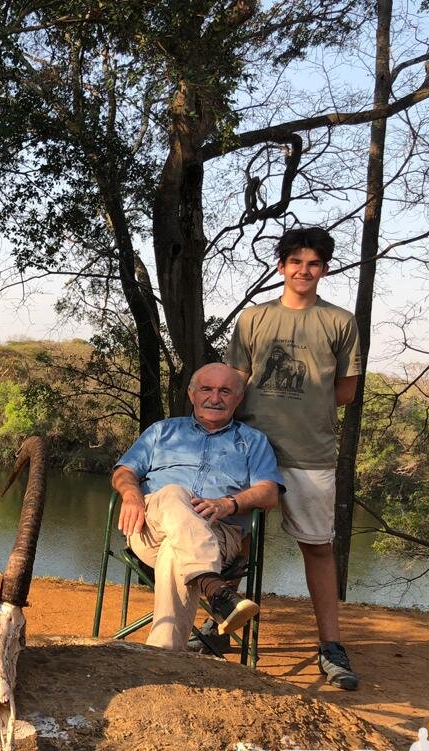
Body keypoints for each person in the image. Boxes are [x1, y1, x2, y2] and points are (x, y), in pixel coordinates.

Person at [219, 225, 363, 690]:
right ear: (282, 266)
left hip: (311, 453)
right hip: (251, 450)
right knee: (233, 535)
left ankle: (331, 646)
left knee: (318, 547)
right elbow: (235, 382)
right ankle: (220, 624)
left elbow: (344, 391)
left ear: (324, 269)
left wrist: (302, 407)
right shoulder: (254, 319)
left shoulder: (340, 322)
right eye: (296, 261)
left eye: (314, 263)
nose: (304, 270)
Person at [112, 363, 283, 651]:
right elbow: (124, 471)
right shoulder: (161, 432)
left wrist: (229, 504)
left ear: (238, 399)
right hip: (150, 528)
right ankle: (215, 589)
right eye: (206, 389)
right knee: (173, 494)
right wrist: (130, 494)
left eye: (225, 391)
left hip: (218, 534)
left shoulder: (253, 442)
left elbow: (269, 493)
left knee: (175, 554)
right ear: (192, 394)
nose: (214, 398)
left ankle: (161, 656)